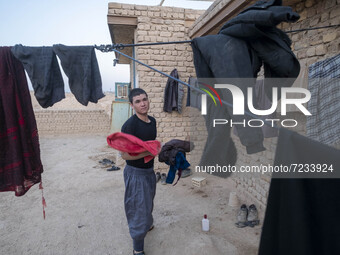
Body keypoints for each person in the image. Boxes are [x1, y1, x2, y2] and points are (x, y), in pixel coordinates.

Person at [120, 88, 157, 255]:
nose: (143, 103)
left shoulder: (153, 121)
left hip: (149, 172)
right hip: (135, 173)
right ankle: (138, 250)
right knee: (137, 210)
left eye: (144, 99)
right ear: (132, 105)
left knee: (148, 203)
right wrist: (149, 151)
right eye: (138, 101)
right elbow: (125, 155)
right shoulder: (129, 126)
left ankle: (147, 224)